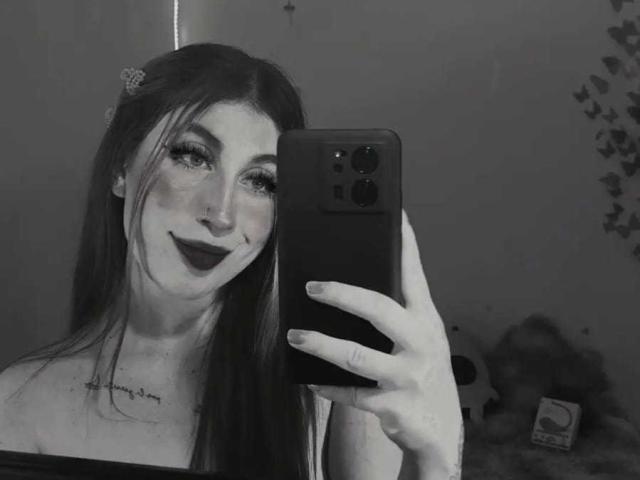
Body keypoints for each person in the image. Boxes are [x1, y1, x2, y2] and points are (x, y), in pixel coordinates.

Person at [0, 43, 463, 480]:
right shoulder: (19, 402)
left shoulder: (329, 381)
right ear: (122, 165)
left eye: (261, 182)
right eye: (192, 156)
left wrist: (437, 458)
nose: (221, 215)